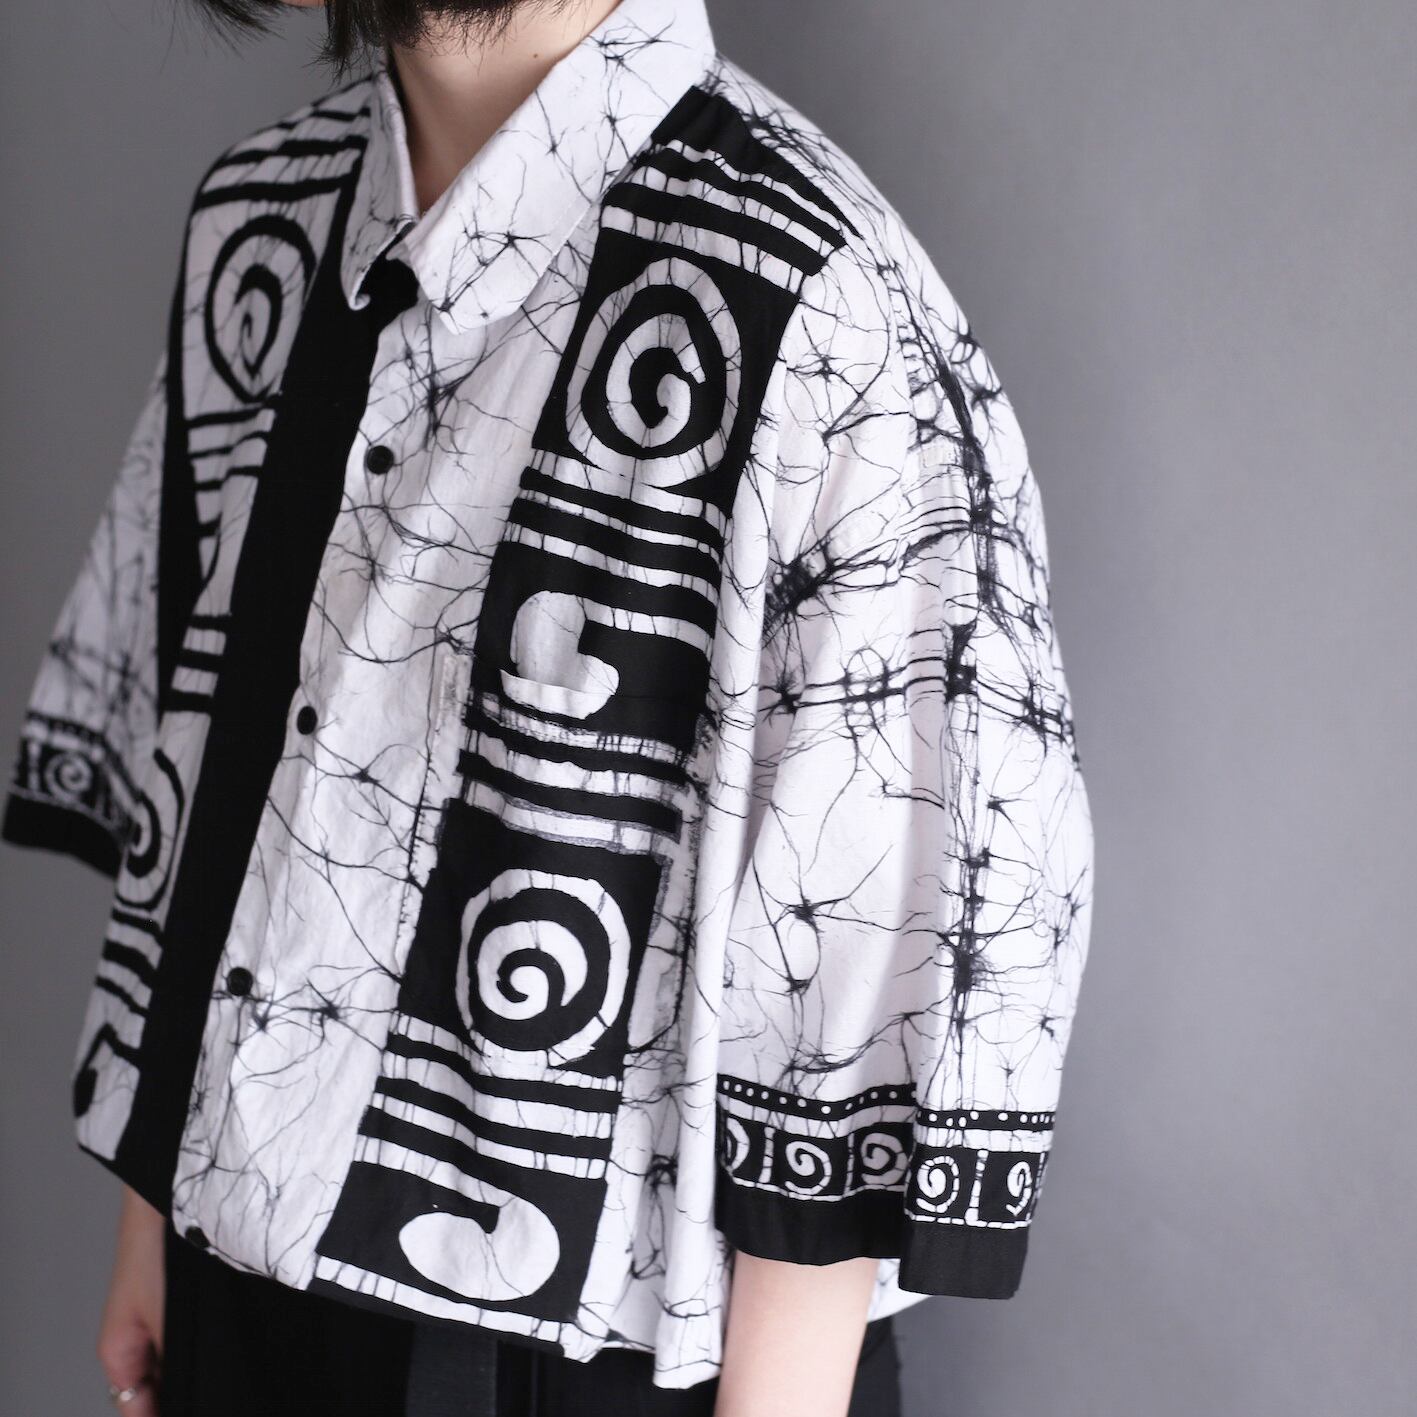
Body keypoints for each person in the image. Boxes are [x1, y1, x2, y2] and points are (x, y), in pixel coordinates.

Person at [1, 1, 1097, 1413]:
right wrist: (152, 1208)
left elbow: (868, 967)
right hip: (234, 1287)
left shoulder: (820, 301)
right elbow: (202, 721)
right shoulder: (261, 218)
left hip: (589, 1357)